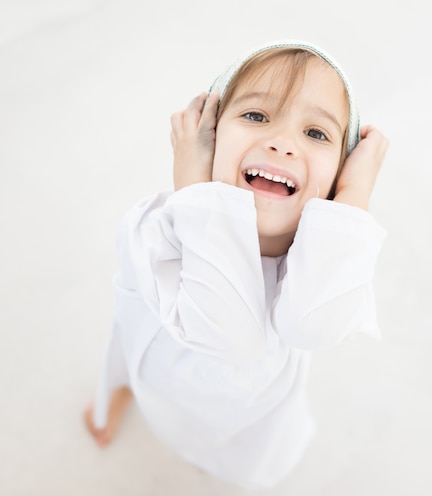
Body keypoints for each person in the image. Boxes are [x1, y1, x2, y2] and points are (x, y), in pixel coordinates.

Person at [84, 40, 388, 490]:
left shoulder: (328, 254)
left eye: (317, 134)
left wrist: (355, 197)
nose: (281, 143)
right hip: (158, 369)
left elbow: (311, 328)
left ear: (339, 175)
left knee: (252, 460)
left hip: (257, 412)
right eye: (256, 116)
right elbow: (229, 337)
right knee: (128, 372)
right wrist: (195, 189)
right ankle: (120, 391)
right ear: (208, 134)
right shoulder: (155, 228)